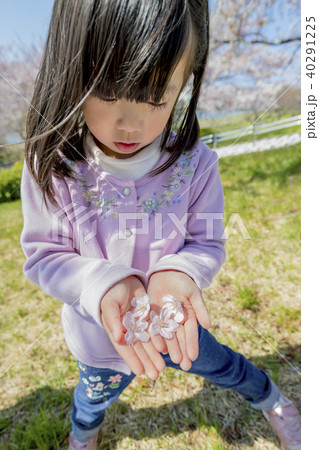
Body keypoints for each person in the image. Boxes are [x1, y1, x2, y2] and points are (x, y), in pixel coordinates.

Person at [20, 1, 301, 449]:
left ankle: (273, 400)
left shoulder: (196, 164)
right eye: (108, 92)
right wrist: (103, 284)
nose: (131, 122)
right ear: (68, 70)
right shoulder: (53, 166)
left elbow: (206, 239)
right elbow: (45, 254)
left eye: (156, 97)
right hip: (100, 340)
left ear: (185, 83)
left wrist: (179, 271)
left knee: (224, 366)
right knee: (91, 399)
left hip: (177, 327)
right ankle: (83, 435)